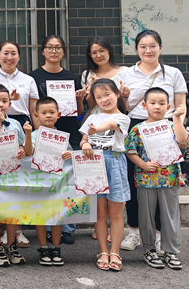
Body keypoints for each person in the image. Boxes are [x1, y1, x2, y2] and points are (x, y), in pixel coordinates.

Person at [120, 30, 187, 253]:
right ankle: (134, 232)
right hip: (136, 128)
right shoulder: (126, 73)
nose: (147, 50)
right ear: (136, 49)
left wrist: (175, 134)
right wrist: (125, 97)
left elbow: (181, 107)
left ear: (160, 47)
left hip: (164, 131)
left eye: (152, 46)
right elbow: (121, 109)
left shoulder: (173, 73)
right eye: (143, 46)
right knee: (133, 181)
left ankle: (159, 235)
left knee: (162, 182)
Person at [30, 34, 85, 244]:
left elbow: (79, 110)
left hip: (70, 134)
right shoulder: (34, 77)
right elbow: (34, 108)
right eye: (50, 47)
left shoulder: (72, 77)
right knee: (47, 183)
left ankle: (68, 228)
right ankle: (46, 226)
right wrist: (41, 135)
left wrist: (79, 100)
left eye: (58, 48)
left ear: (63, 52)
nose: (54, 51)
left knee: (68, 183)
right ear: (43, 51)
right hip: (45, 136)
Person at [125, 87, 188, 270]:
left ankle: (170, 251)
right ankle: (149, 250)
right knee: (146, 215)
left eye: (162, 103)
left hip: (170, 178)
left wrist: (177, 118)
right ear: (144, 105)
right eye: (152, 103)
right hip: (146, 178)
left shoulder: (171, 125)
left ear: (168, 107)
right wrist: (143, 164)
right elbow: (130, 151)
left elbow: (183, 142)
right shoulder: (137, 129)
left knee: (170, 215)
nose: (157, 107)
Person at [79, 78, 131, 272]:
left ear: (117, 94)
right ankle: (103, 251)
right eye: (99, 97)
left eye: (107, 94)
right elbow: (84, 139)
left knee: (115, 213)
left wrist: (97, 130)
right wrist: (85, 144)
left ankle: (115, 252)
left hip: (115, 162)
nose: (104, 100)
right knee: (100, 213)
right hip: (94, 164)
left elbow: (111, 124)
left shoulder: (123, 118)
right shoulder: (92, 117)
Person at [0, 83, 33, 266]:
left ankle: (10, 245)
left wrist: (22, 150)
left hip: (13, 173)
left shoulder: (16, 124)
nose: (0, 105)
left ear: (10, 103)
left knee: (12, 210)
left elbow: (25, 148)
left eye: (4, 101)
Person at [31, 97, 73, 266]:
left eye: (52, 112)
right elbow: (28, 153)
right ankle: (43, 248)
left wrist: (70, 154)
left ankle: (56, 248)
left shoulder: (63, 137)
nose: (48, 115)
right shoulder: (34, 135)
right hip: (39, 181)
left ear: (58, 115)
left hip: (57, 182)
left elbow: (70, 156)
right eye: (44, 112)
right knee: (40, 216)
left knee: (57, 215)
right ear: (36, 115)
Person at [0, 40, 39, 129]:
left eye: (13, 54)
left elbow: (34, 111)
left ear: (19, 57)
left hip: (23, 123)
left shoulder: (29, 80)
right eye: (6, 53)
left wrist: (37, 132)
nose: (9, 57)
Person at [81, 37, 129, 118]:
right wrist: (93, 86)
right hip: (94, 119)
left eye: (101, 51)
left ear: (109, 51)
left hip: (116, 118)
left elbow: (126, 106)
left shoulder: (124, 72)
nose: (98, 55)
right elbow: (91, 104)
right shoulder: (88, 74)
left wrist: (124, 95)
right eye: (94, 53)